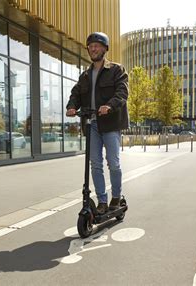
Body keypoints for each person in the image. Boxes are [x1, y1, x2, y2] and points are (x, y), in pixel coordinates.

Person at [66, 32, 129, 214]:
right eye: (90, 46)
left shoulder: (116, 70)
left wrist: (109, 106)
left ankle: (116, 197)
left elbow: (122, 93)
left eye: (97, 45)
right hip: (92, 124)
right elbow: (75, 94)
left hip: (110, 124)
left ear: (105, 48)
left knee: (113, 163)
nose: (93, 49)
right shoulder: (85, 75)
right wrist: (71, 107)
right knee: (95, 164)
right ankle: (102, 200)